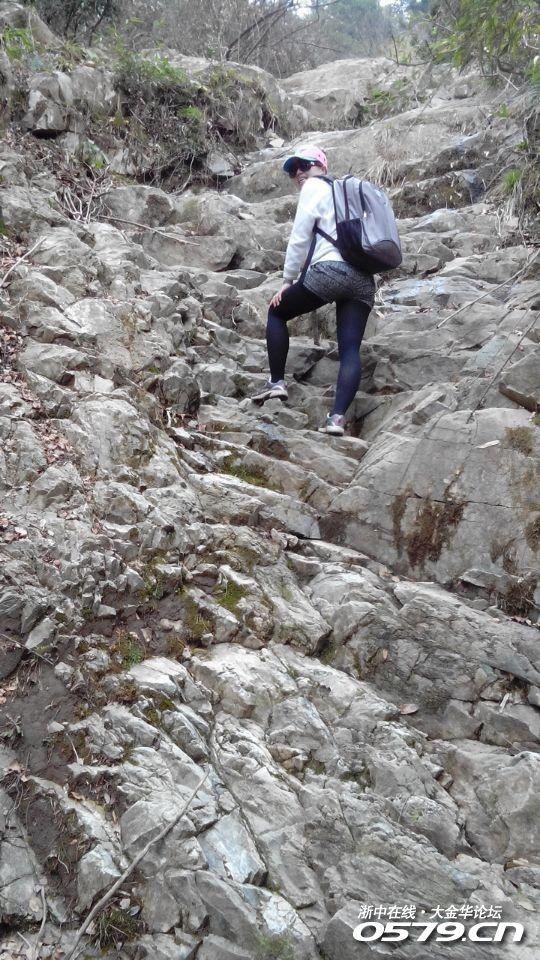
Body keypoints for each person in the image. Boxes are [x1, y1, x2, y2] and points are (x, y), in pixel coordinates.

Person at [252, 144, 375, 436]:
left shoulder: (314, 188)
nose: (299, 173)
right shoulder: (348, 194)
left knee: (277, 312)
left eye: (304, 166)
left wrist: (287, 281)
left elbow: (300, 236)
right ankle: (336, 419)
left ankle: (277, 383)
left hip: (329, 271)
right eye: (294, 170)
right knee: (350, 350)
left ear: (321, 166)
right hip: (363, 278)